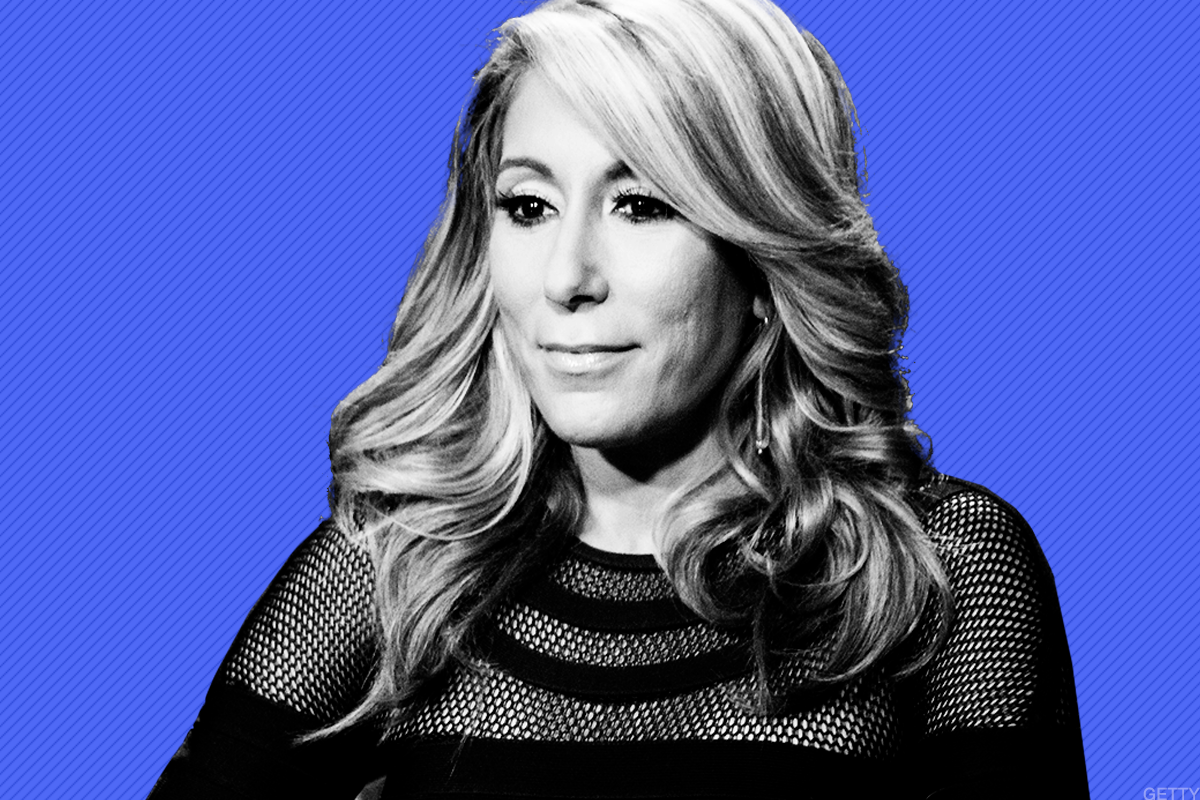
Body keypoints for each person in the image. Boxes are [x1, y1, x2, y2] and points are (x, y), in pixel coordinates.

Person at [148, 0, 1090, 797]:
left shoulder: (938, 568)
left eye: (640, 204)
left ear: (765, 256)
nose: (567, 278)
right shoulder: (395, 575)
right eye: (528, 207)